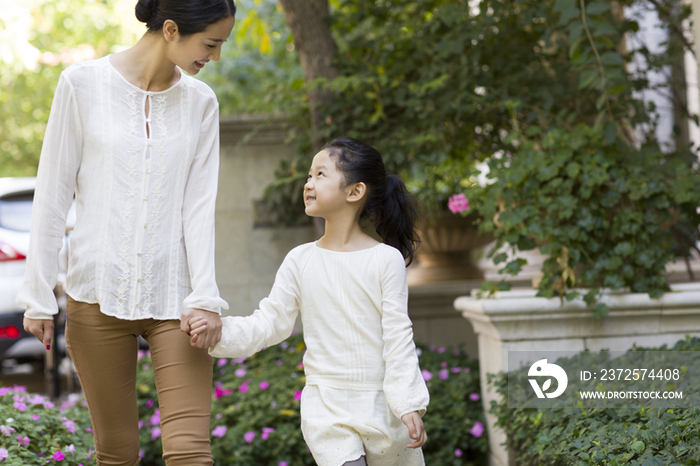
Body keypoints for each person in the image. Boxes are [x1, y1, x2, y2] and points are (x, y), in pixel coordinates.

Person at [17, 1, 236, 464]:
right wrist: (38, 293)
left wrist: (205, 295)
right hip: (95, 293)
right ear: (172, 29)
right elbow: (54, 193)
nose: (214, 57)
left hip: (177, 298)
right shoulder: (82, 84)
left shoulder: (201, 102)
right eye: (211, 44)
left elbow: (199, 207)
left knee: (190, 451)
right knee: (116, 453)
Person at [189, 137, 430, 466]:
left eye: (320, 175)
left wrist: (408, 403)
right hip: (327, 406)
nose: (308, 184)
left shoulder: (385, 260)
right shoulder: (299, 259)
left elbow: (398, 335)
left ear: (354, 192)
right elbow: (271, 322)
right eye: (308, 175)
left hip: (383, 407)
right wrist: (219, 333)